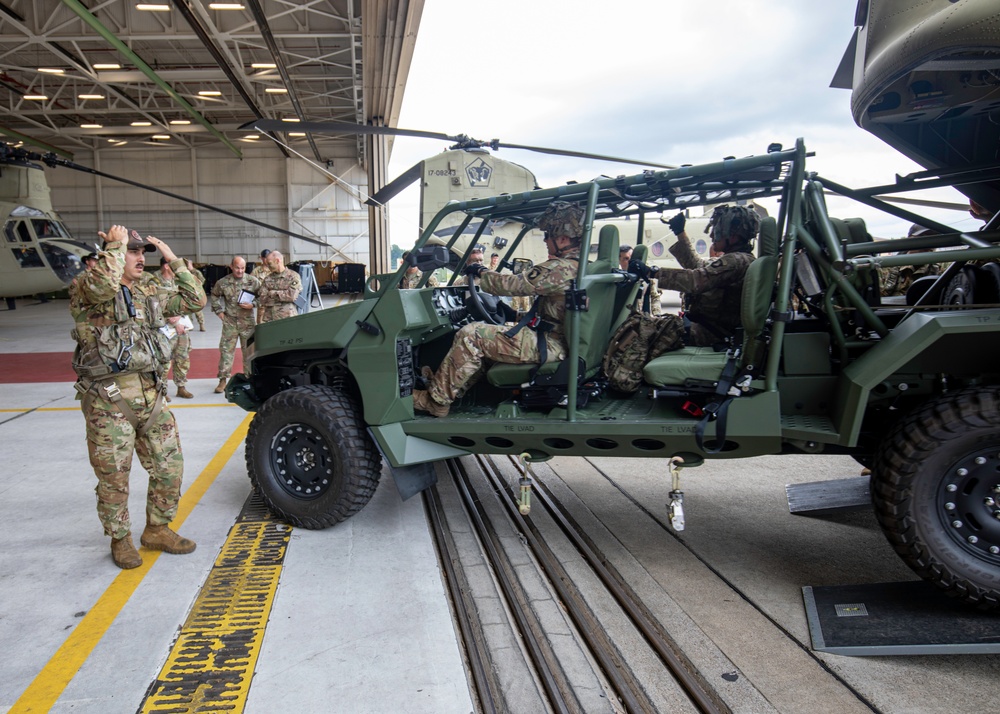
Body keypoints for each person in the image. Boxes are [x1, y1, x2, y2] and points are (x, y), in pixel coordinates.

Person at [69, 225, 205, 569]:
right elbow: (102, 284)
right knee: (114, 478)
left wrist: (173, 259)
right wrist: (113, 245)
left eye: (142, 252)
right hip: (109, 399)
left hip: (152, 395)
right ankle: (120, 538)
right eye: (132, 251)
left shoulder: (149, 292)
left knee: (169, 467)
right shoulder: (86, 289)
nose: (140, 258)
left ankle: (157, 529)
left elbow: (195, 300)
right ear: (112, 255)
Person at [413, 202, 584, 417]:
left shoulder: (562, 268)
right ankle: (449, 390)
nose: (545, 240)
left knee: (471, 335)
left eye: (547, 235)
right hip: (558, 340)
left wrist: (481, 272)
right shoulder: (581, 265)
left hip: (552, 346)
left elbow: (513, 284)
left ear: (563, 239)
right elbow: (557, 314)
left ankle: (435, 401)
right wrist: (515, 315)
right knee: (485, 345)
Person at [630, 205, 760, 346]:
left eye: (717, 232)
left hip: (711, 332)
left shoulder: (736, 261)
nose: (711, 236)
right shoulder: (740, 260)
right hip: (710, 329)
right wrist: (680, 233)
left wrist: (652, 272)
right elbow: (698, 266)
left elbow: (695, 280)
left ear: (733, 237)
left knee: (639, 333)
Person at [211, 255, 261, 393]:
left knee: (249, 352)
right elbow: (214, 295)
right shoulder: (223, 282)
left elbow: (263, 296)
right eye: (237, 268)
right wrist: (219, 312)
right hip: (230, 323)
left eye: (243, 268)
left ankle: (249, 379)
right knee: (226, 351)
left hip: (247, 323)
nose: (240, 271)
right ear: (231, 266)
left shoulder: (253, 281)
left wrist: (253, 305)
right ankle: (222, 380)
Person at [147, 258, 194, 399]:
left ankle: (181, 387)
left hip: (181, 326)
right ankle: (162, 390)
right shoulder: (154, 282)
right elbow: (151, 305)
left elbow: (190, 299)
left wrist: (180, 318)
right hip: (164, 329)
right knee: (164, 360)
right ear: (167, 266)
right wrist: (169, 318)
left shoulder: (177, 281)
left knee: (182, 357)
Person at [879, 224, 942, 297]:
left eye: (933, 240)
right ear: (910, 240)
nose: (929, 245)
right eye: (923, 239)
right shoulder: (889, 266)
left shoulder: (940, 268)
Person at [257, 250, 302, 323]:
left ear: (277, 261)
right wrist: (283, 295)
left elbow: (292, 296)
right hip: (270, 319)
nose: (267, 266)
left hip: (288, 318)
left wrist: (273, 293)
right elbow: (262, 298)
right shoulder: (268, 278)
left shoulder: (293, 276)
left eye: (269, 264)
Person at [619, 243, 661, 315]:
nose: (629, 261)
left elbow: (655, 298)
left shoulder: (644, 277)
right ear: (619, 260)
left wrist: (657, 315)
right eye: (626, 259)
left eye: (631, 258)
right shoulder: (618, 279)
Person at [184, 258, 207, 331]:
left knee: (198, 310)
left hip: (195, 293)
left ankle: (201, 324)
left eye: (188, 264)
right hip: (187, 293)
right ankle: (190, 324)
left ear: (191, 264)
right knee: (188, 310)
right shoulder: (185, 273)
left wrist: (197, 287)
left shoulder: (196, 272)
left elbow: (202, 280)